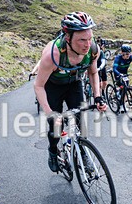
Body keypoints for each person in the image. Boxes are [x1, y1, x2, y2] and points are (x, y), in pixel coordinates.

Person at [33, 12, 107, 172]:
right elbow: (38, 86)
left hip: (74, 83)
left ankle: (82, 151)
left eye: (89, 38)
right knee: (56, 127)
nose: (87, 44)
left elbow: (93, 73)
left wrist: (98, 97)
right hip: (53, 86)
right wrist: (50, 113)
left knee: (81, 123)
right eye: (82, 40)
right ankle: (53, 151)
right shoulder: (53, 55)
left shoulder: (93, 49)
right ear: (68, 38)